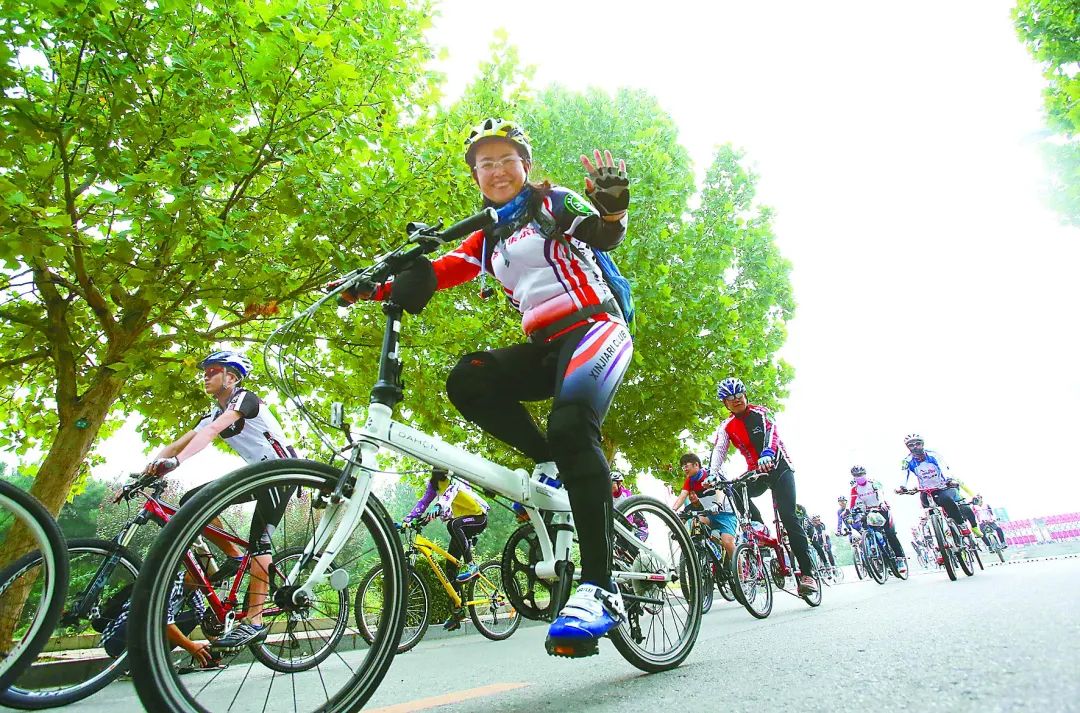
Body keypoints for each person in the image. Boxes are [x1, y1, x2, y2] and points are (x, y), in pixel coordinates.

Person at [337, 118, 633, 658]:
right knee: (466, 378)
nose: (496, 170)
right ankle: (550, 461)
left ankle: (599, 588)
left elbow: (600, 231)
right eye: (485, 164)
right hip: (546, 348)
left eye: (506, 160)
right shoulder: (487, 235)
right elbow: (439, 271)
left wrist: (613, 205)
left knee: (571, 424)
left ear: (526, 166)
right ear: (475, 176)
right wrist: (369, 286)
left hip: (596, 329)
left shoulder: (551, 203)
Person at [143, 350, 298, 650]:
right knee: (193, 501)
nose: (206, 376)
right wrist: (144, 474)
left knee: (260, 544)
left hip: (281, 473)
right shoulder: (214, 413)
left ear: (232, 377)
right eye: (205, 372)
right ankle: (234, 555)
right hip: (256, 476)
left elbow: (213, 432)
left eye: (212, 371)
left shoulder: (245, 399)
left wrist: (177, 463)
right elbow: (176, 445)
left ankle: (254, 621)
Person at [709, 377, 817, 593]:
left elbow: (771, 434)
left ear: (745, 395)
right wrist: (712, 474)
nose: (736, 400)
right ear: (725, 403)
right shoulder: (726, 426)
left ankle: (807, 574)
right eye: (730, 398)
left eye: (739, 395)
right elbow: (719, 449)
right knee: (735, 489)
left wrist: (767, 453)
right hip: (757, 472)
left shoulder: (762, 413)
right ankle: (757, 525)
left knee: (788, 517)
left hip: (779, 468)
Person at [403, 467, 490, 630]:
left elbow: (452, 491)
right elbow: (423, 502)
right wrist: (407, 520)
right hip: (461, 524)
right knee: (450, 566)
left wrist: (439, 506)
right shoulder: (434, 484)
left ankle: (471, 565)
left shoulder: (455, 477)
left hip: (478, 517)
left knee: (453, 524)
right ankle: (458, 610)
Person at [895, 433, 981, 538]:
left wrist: (949, 479)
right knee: (925, 504)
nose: (915, 447)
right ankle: (938, 534)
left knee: (946, 500)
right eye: (911, 445)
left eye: (917, 444)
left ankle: (961, 524)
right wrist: (902, 486)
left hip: (943, 487)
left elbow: (943, 467)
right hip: (926, 491)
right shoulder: (906, 461)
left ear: (922, 444)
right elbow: (903, 474)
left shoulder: (933, 455)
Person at [671, 454, 738, 564]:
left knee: (727, 542)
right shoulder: (690, 481)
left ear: (696, 465)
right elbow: (682, 496)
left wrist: (718, 504)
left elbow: (719, 490)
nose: (684, 469)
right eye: (683, 467)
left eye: (686, 466)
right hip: (709, 515)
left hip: (726, 514)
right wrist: (672, 511)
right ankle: (707, 551)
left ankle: (741, 574)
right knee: (697, 521)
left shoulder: (709, 474)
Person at [848, 465, 906, 573]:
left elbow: (880, 493)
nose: (859, 477)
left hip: (881, 509)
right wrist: (851, 514)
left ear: (865, 474)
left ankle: (900, 559)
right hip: (868, 512)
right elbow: (852, 503)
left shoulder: (873, 482)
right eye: (856, 475)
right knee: (866, 530)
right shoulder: (854, 489)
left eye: (861, 474)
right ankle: (878, 557)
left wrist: (882, 503)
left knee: (890, 534)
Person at [611, 472, 648, 541]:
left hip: (638, 527)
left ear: (619, 484)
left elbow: (629, 515)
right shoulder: (609, 497)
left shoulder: (626, 494)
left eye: (613, 483)